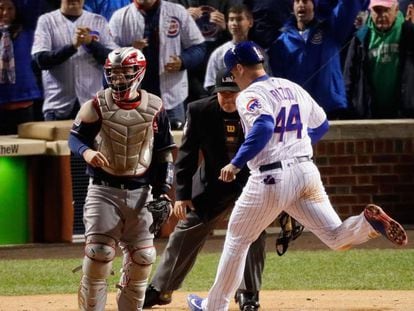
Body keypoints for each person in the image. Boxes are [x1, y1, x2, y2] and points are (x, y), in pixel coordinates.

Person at [187, 40, 408, 311]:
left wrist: (236, 163)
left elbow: (264, 125)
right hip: (305, 172)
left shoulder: (249, 95)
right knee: (336, 238)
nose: (233, 78)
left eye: (232, 73)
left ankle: (214, 307)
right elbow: (322, 123)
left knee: (237, 238)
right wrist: (297, 143)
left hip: (270, 177)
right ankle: (366, 223)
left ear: (240, 68)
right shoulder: (291, 86)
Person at [143, 69, 266, 311]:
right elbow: (187, 154)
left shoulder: (259, 109)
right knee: (184, 232)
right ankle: (161, 289)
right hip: (212, 185)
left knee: (253, 235)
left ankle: (248, 295)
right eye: (224, 95)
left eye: (234, 94)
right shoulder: (200, 110)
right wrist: (183, 195)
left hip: (251, 184)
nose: (229, 99)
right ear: (216, 93)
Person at [68, 47, 176, 311]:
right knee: (100, 254)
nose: (117, 80)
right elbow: (75, 137)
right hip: (104, 191)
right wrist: (88, 151)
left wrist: (163, 192)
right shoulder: (96, 104)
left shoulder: (155, 107)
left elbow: (164, 154)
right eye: (113, 74)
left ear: (137, 73)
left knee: (143, 257)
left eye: (123, 73)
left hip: (142, 191)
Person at [109, 0, 206, 130]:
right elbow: (108, 55)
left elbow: (199, 46)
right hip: (132, 99)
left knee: (174, 146)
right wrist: (128, 50)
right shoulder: (120, 16)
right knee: (136, 146)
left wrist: (183, 61)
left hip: (172, 96)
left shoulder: (178, 12)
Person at [268, 0, 367, 120]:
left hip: (332, 108)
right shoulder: (281, 42)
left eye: (305, 1)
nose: (301, 5)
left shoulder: (332, 29)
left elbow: (348, 6)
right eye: (297, 1)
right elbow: (279, 82)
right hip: (300, 113)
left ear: (314, 5)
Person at [31, 0, 118, 121]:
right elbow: (41, 61)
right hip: (57, 106)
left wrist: (91, 44)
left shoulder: (98, 21)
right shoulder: (46, 21)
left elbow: (114, 61)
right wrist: (72, 47)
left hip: (93, 106)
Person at [344, 0, 414, 118]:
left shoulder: (409, 32)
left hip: (406, 111)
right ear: (370, 12)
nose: (382, 15)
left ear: (396, 10)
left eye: (386, 10)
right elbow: (349, 77)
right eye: (377, 10)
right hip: (369, 112)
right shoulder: (361, 37)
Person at [0, 0, 42, 134]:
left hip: (23, 101)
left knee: (26, 150)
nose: (5, 12)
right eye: (1, 8)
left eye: (10, 8)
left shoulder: (27, 30)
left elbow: (32, 4)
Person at [203, 4, 254, 93]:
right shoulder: (219, 53)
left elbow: (266, 81)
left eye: (239, 19)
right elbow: (210, 84)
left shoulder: (258, 52)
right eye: (231, 19)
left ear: (250, 22)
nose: (234, 23)